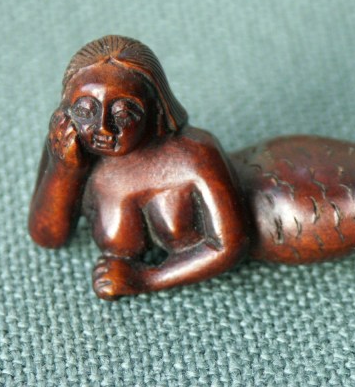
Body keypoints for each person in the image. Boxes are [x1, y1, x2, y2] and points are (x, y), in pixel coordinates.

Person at [29, 35, 251, 300]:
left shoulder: (195, 156)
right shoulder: (67, 145)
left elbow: (230, 244)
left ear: (155, 109)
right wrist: (66, 170)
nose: (103, 129)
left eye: (123, 114)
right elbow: (47, 236)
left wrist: (146, 278)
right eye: (86, 111)